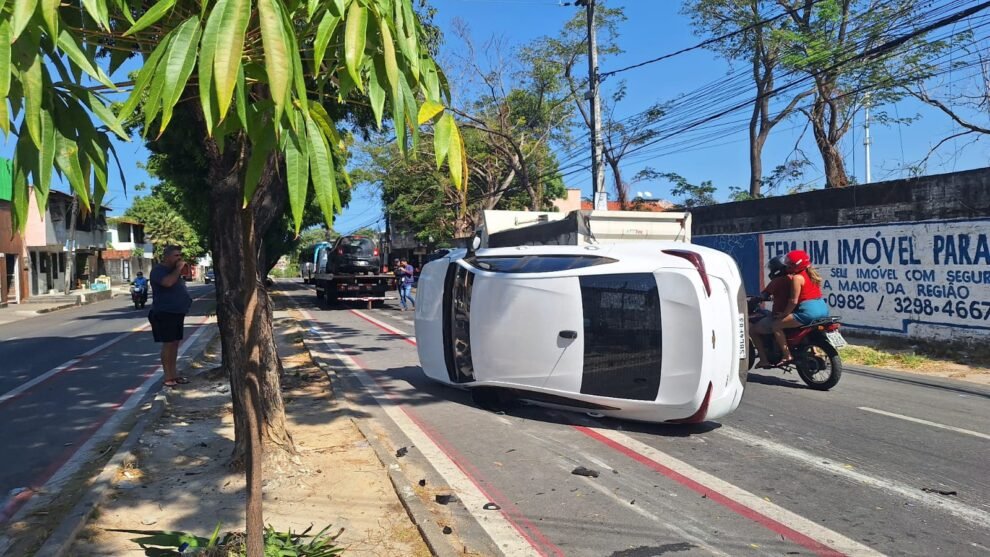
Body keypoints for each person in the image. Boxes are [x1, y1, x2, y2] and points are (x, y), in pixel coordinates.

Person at [752, 250, 828, 367]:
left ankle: (777, 357)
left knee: (766, 327)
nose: (788, 266)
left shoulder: (788, 280)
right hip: (822, 309)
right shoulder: (811, 275)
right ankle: (815, 351)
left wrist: (783, 314)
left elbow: (793, 300)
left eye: (790, 264)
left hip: (806, 312)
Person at [149, 246, 193, 387]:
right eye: (175, 256)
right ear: (167, 257)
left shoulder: (175, 271)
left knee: (175, 344)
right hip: (164, 312)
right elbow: (167, 282)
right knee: (168, 344)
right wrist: (178, 269)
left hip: (177, 312)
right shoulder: (159, 271)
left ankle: (174, 374)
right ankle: (168, 377)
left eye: (180, 255)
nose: (179, 258)